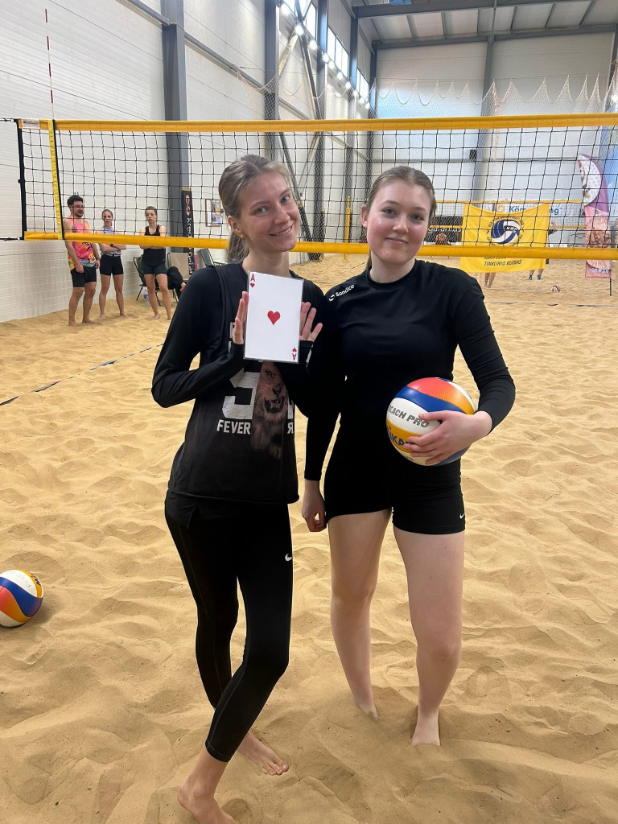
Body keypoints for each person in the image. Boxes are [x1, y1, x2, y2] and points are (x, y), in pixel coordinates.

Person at [302, 166, 515, 748]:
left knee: (441, 636)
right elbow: (327, 403)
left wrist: (474, 426)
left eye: (416, 216)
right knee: (352, 595)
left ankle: (427, 714)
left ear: (428, 226)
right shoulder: (339, 301)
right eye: (390, 211)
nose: (401, 225)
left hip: (431, 470)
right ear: (365, 216)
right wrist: (312, 480)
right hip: (356, 468)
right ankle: (363, 698)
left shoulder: (453, 290)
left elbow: (498, 382)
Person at [152, 155, 322, 824]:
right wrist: (236, 356)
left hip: (266, 497)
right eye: (261, 208)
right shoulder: (212, 286)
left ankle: (225, 733)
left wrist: (293, 359)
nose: (281, 215)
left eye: (284, 199)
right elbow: (166, 386)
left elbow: (317, 406)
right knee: (217, 621)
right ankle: (223, 747)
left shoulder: (311, 299)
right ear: (236, 222)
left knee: (271, 650)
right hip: (200, 494)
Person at [63, 194, 100, 327]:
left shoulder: (86, 222)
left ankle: (86, 318)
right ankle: (71, 320)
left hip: (90, 260)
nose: (80, 208)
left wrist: (97, 257)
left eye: (81, 206)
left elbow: (92, 241)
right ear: (70, 207)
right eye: (77, 206)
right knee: (78, 291)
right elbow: (68, 245)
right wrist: (77, 263)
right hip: (77, 261)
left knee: (91, 290)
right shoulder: (68, 222)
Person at [139, 207, 172, 320]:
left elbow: (162, 245)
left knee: (163, 287)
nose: (149, 216)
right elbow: (141, 245)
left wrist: (148, 244)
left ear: (156, 216)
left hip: (159, 262)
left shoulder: (161, 228)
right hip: (147, 262)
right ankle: (156, 313)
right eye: (147, 214)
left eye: (152, 214)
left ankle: (169, 314)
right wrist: (155, 243)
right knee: (150, 288)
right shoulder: (143, 230)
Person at [98, 209, 127, 319]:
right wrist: (116, 246)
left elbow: (124, 246)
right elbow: (104, 248)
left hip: (117, 260)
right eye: (105, 216)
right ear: (102, 218)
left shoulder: (117, 232)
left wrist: (110, 244)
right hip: (106, 260)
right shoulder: (99, 232)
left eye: (109, 216)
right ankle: (102, 313)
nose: (107, 218)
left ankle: (122, 312)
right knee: (104, 288)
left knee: (119, 289)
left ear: (112, 218)